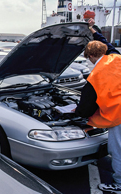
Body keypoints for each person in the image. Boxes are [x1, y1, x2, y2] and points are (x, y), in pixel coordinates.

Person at [75, 18, 121, 193]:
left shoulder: (95, 77)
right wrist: (92, 30)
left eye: (89, 58)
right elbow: (106, 44)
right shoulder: (116, 57)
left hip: (118, 115)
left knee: (118, 151)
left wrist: (75, 112)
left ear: (91, 55)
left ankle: (119, 184)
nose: (90, 62)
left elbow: (85, 108)